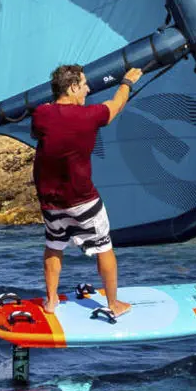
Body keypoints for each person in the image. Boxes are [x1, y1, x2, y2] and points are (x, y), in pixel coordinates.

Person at [30, 62, 143, 317]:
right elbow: (115, 107)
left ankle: (50, 302)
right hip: (82, 200)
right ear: (72, 87)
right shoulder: (88, 116)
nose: (88, 89)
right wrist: (127, 82)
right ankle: (114, 304)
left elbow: (39, 131)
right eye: (83, 85)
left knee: (54, 245)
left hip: (49, 201)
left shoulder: (41, 114)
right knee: (104, 246)